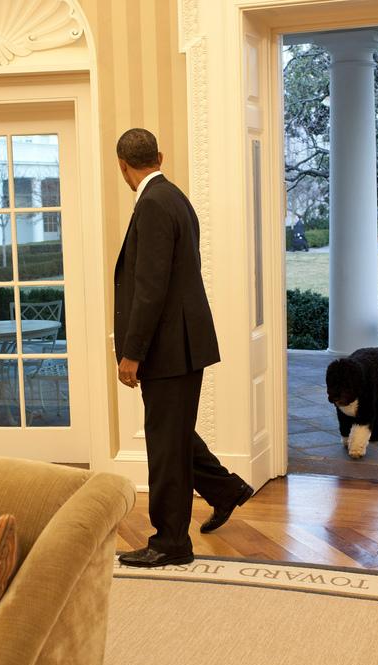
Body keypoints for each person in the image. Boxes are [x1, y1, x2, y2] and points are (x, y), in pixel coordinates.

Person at [114, 128, 254, 568]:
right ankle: (227, 490)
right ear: (160, 154)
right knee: (171, 434)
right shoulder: (173, 196)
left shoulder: (154, 204)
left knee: (165, 444)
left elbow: (150, 289)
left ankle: (171, 542)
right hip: (181, 344)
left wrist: (132, 352)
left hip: (167, 349)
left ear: (122, 166)